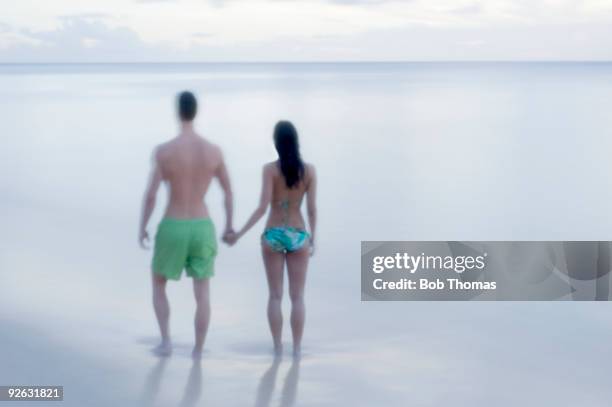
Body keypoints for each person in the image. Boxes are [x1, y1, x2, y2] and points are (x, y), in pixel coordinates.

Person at [139, 91, 234, 359]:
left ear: (178, 112)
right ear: (196, 111)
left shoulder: (164, 151)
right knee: (202, 291)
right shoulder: (213, 151)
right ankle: (198, 349)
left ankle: (166, 342)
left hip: (173, 223)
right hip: (202, 225)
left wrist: (142, 227)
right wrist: (228, 225)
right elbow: (228, 192)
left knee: (158, 283)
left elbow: (151, 195)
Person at [226, 121, 317, 357]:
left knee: (275, 296)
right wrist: (313, 238)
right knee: (297, 297)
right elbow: (312, 210)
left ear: (276, 143)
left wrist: (239, 234)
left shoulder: (269, 170)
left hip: (273, 234)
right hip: (298, 235)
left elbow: (262, 207)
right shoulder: (309, 171)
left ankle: (277, 348)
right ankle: (296, 350)